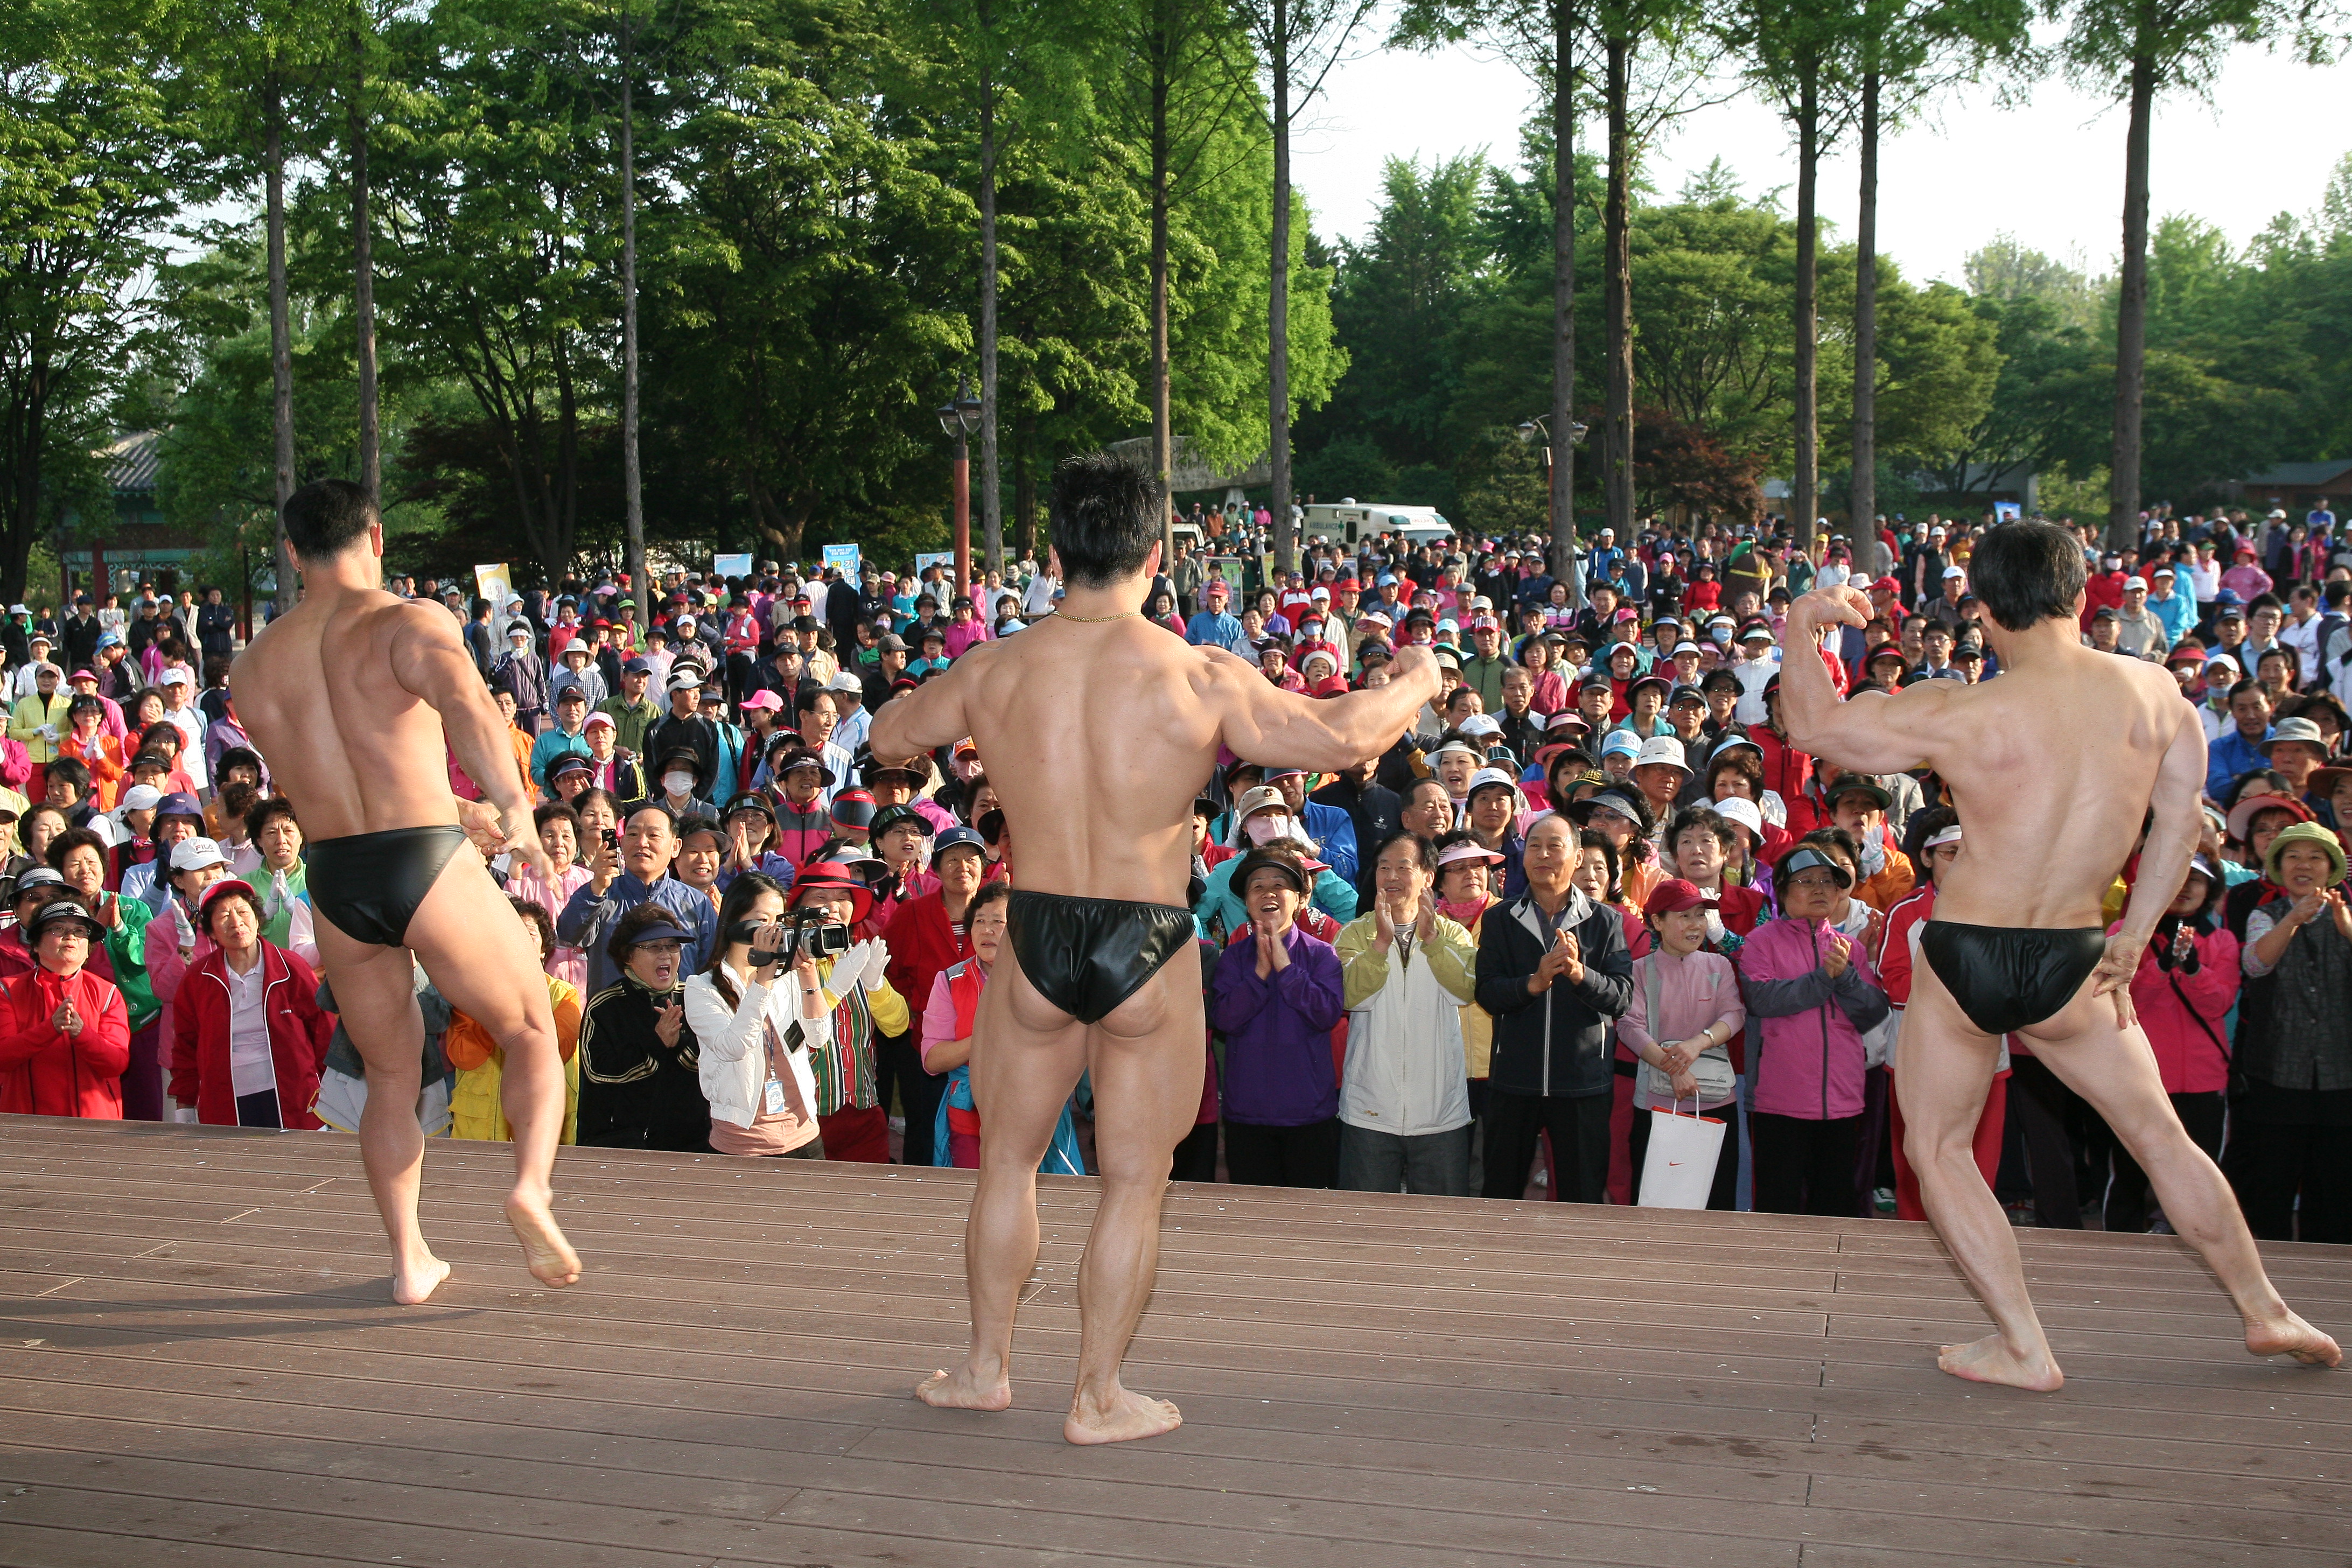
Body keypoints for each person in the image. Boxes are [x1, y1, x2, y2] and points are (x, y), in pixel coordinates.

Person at [869, 452, 1438, 1444]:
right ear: (1151, 555)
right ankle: (1096, 1397)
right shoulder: (1196, 673)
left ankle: (984, 1367)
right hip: (1146, 931)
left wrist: (938, 732)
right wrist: (1422, 675)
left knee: (1005, 1164)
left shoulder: (993, 669)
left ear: (1053, 554)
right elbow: (1346, 737)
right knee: (1134, 1181)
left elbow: (884, 736)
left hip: (1039, 924)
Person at [1777, 523, 2335, 1389]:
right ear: (2082, 598)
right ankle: (2266, 1309)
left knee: (1939, 1147)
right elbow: (2181, 824)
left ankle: (2021, 1343)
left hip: (1967, 951)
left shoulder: (1962, 709)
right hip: (2078, 952)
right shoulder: (2159, 698)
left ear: (1989, 612)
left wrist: (1806, 622)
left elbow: (1812, 725)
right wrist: (2135, 934)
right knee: (2159, 1137)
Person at [230, 479, 579, 1305]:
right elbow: (466, 709)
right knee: (532, 1026)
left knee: (390, 1074)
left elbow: (340, 765)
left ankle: (410, 1261)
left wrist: (455, 807)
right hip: (422, 858)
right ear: (376, 538)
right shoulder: (407, 621)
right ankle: (531, 1186)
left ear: (292, 552)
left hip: (337, 874)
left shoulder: (253, 665)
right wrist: (512, 808)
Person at [1474, 811, 1634, 1203]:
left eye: (1555, 846)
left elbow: (1622, 996)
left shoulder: (1605, 922)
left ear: (1578, 858)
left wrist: (1581, 975)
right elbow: (1487, 993)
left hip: (1582, 1084)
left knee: (1582, 1194)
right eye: (1534, 846)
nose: (1543, 855)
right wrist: (1533, 983)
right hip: (1513, 1080)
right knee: (1501, 1192)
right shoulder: (1500, 918)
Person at [1332, 831, 1478, 1195]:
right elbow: (1348, 997)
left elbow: (1466, 991)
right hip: (1370, 1109)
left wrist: (1433, 942)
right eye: (1384, 867)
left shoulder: (1454, 935)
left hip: (1440, 1112)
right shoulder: (1353, 934)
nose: (1392, 876)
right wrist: (1380, 946)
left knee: (1441, 1228)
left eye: (1403, 867)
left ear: (1429, 876)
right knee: (1365, 1227)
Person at [2227, 822, 2352, 1242]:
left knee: (2336, 1183)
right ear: (2279, 867)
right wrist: (2295, 918)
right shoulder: (2266, 914)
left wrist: (2346, 929)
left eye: (2315, 857)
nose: (2304, 865)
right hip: (2278, 1070)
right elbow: (2256, 965)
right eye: (2294, 857)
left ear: (2331, 867)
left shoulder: (2348, 914)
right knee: (2272, 1180)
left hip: (2342, 1073)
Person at [1207, 845, 1347, 1187]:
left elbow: (1325, 1014)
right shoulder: (1232, 959)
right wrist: (1258, 974)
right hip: (1247, 1115)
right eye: (1257, 886)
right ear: (1246, 901)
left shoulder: (1323, 955)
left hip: (1310, 1114)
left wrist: (1285, 968)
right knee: (1253, 1221)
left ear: (1300, 899)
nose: (1268, 892)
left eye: (1279, 885)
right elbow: (1224, 1019)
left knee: (1309, 1221)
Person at [922, 879, 1084, 1172]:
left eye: (999, 922)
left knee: (1046, 1202)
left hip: (1039, 1115)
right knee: (975, 1202)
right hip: (971, 1120)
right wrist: (986, 1036)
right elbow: (933, 1060)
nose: (987, 930)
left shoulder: (1050, 980)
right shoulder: (949, 980)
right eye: (980, 921)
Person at [683, 871, 830, 1160]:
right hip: (743, 1142)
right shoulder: (701, 987)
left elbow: (818, 1036)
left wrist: (809, 974)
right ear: (735, 922)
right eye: (763, 921)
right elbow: (733, 1047)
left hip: (804, 1134)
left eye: (779, 921)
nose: (775, 931)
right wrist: (763, 979)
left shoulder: (787, 978)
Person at [166, 877, 335, 1129]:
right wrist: (185, 1106)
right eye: (224, 916)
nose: (236, 922)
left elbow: (323, 1035)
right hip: (225, 1102)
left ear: (258, 919)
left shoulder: (291, 968)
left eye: (243, 911)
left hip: (296, 1097)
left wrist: (332, 1096)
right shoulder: (197, 980)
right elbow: (186, 1047)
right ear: (211, 931)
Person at [576, 903, 711, 1151]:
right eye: (653, 947)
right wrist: (656, 1043)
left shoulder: (696, 996)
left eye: (672, 946)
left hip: (693, 1140)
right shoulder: (605, 1005)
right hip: (619, 1142)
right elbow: (599, 1071)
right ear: (627, 956)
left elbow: (717, 1061)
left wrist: (679, 1042)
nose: (666, 955)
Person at [447, 898, 583, 1144]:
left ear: (544, 949)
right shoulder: (470, 993)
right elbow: (462, 1055)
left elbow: (560, 1049)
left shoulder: (564, 994)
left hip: (542, 1131)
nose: (517, 942)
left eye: (529, 934)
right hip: (477, 1132)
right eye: (509, 933)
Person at [0, 896, 131, 1118]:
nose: (71, 936)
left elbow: (116, 1063)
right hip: (24, 1123)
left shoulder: (108, 993)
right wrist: (50, 1028)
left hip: (94, 1126)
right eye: (58, 928)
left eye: (80, 931)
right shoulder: (8, 990)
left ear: (89, 950)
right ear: (36, 944)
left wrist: (82, 1034)